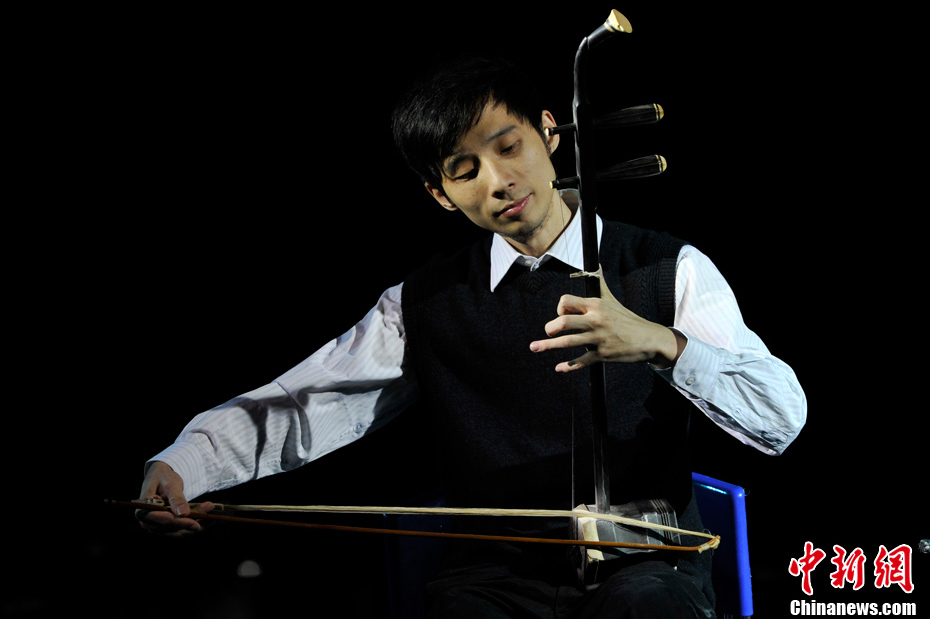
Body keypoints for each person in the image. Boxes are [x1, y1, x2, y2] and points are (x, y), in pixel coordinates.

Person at [137, 55, 806, 617]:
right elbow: (303, 402)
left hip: (649, 567)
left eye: (508, 147)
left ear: (549, 132)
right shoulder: (424, 303)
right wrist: (183, 464)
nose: (499, 182)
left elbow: (781, 417)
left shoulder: (665, 266)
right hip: (495, 577)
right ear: (439, 194)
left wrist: (661, 343)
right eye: (465, 170)